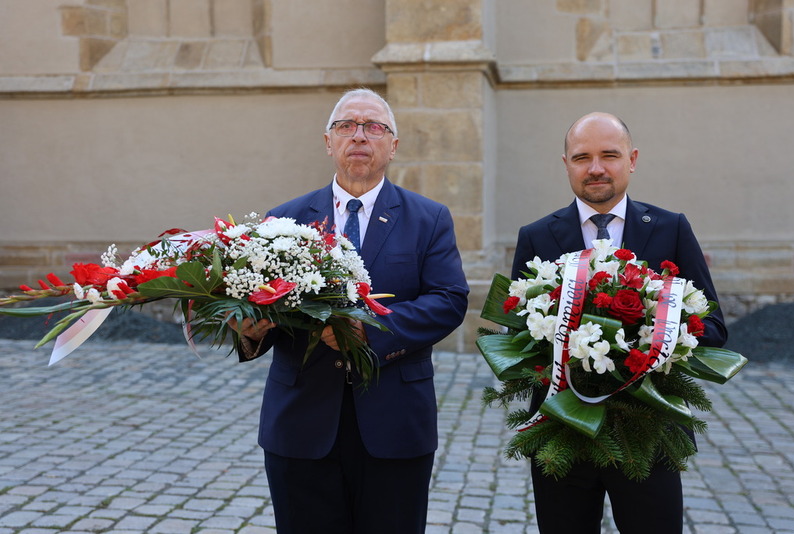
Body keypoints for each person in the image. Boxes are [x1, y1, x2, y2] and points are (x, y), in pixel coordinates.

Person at [233, 88, 469, 534]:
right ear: (328, 141)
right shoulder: (284, 220)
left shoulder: (428, 218)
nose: (359, 136)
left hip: (395, 422)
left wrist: (370, 331)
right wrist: (249, 330)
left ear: (393, 145)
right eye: (346, 126)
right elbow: (257, 309)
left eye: (374, 127)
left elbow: (449, 299)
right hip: (301, 424)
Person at [511, 112, 727, 534]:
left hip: (650, 432)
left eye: (609, 155)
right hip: (562, 431)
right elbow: (514, 335)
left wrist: (652, 336)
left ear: (632, 159)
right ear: (566, 163)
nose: (595, 168)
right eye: (582, 157)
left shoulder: (670, 228)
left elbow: (714, 325)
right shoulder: (536, 236)